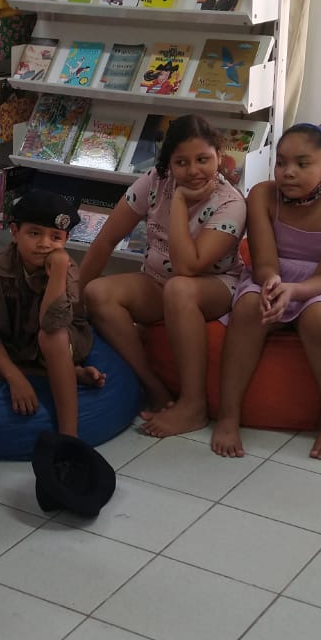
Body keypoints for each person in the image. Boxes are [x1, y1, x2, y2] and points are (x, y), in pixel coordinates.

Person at [211, 122, 321, 460]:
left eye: (302, 164)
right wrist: (272, 281)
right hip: (277, 275)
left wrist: (295, 291)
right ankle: (228, 415)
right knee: (248, 308)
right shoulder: (261, 195)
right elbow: (264, 261)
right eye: (282, 162)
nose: (288, 172)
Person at [81, 114, 246, 438]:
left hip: (215, 286)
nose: (193, 170)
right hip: (157, 281)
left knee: (180, 289)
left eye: (203, 159)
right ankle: (153, 387)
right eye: (182, 162)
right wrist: (73, 300)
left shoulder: (231, 202)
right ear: (169, 164)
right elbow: (106, 239)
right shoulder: (155, 180)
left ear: (218, 157)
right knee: (97, 293)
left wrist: (180, 202)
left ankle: (194, 405)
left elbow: (188, 267)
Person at [0, 188, 105, 439]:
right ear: (15, 232)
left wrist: (57, 272)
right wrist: (15, 379)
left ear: (65, 240)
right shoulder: (2, 267)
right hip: (17, 343)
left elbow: (52, 324)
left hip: (63, 343)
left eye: (55, 237)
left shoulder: (66, 270)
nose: (44, 244)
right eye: (34, 233)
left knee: (52, 337)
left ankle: (69, 435)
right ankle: (63, 374)